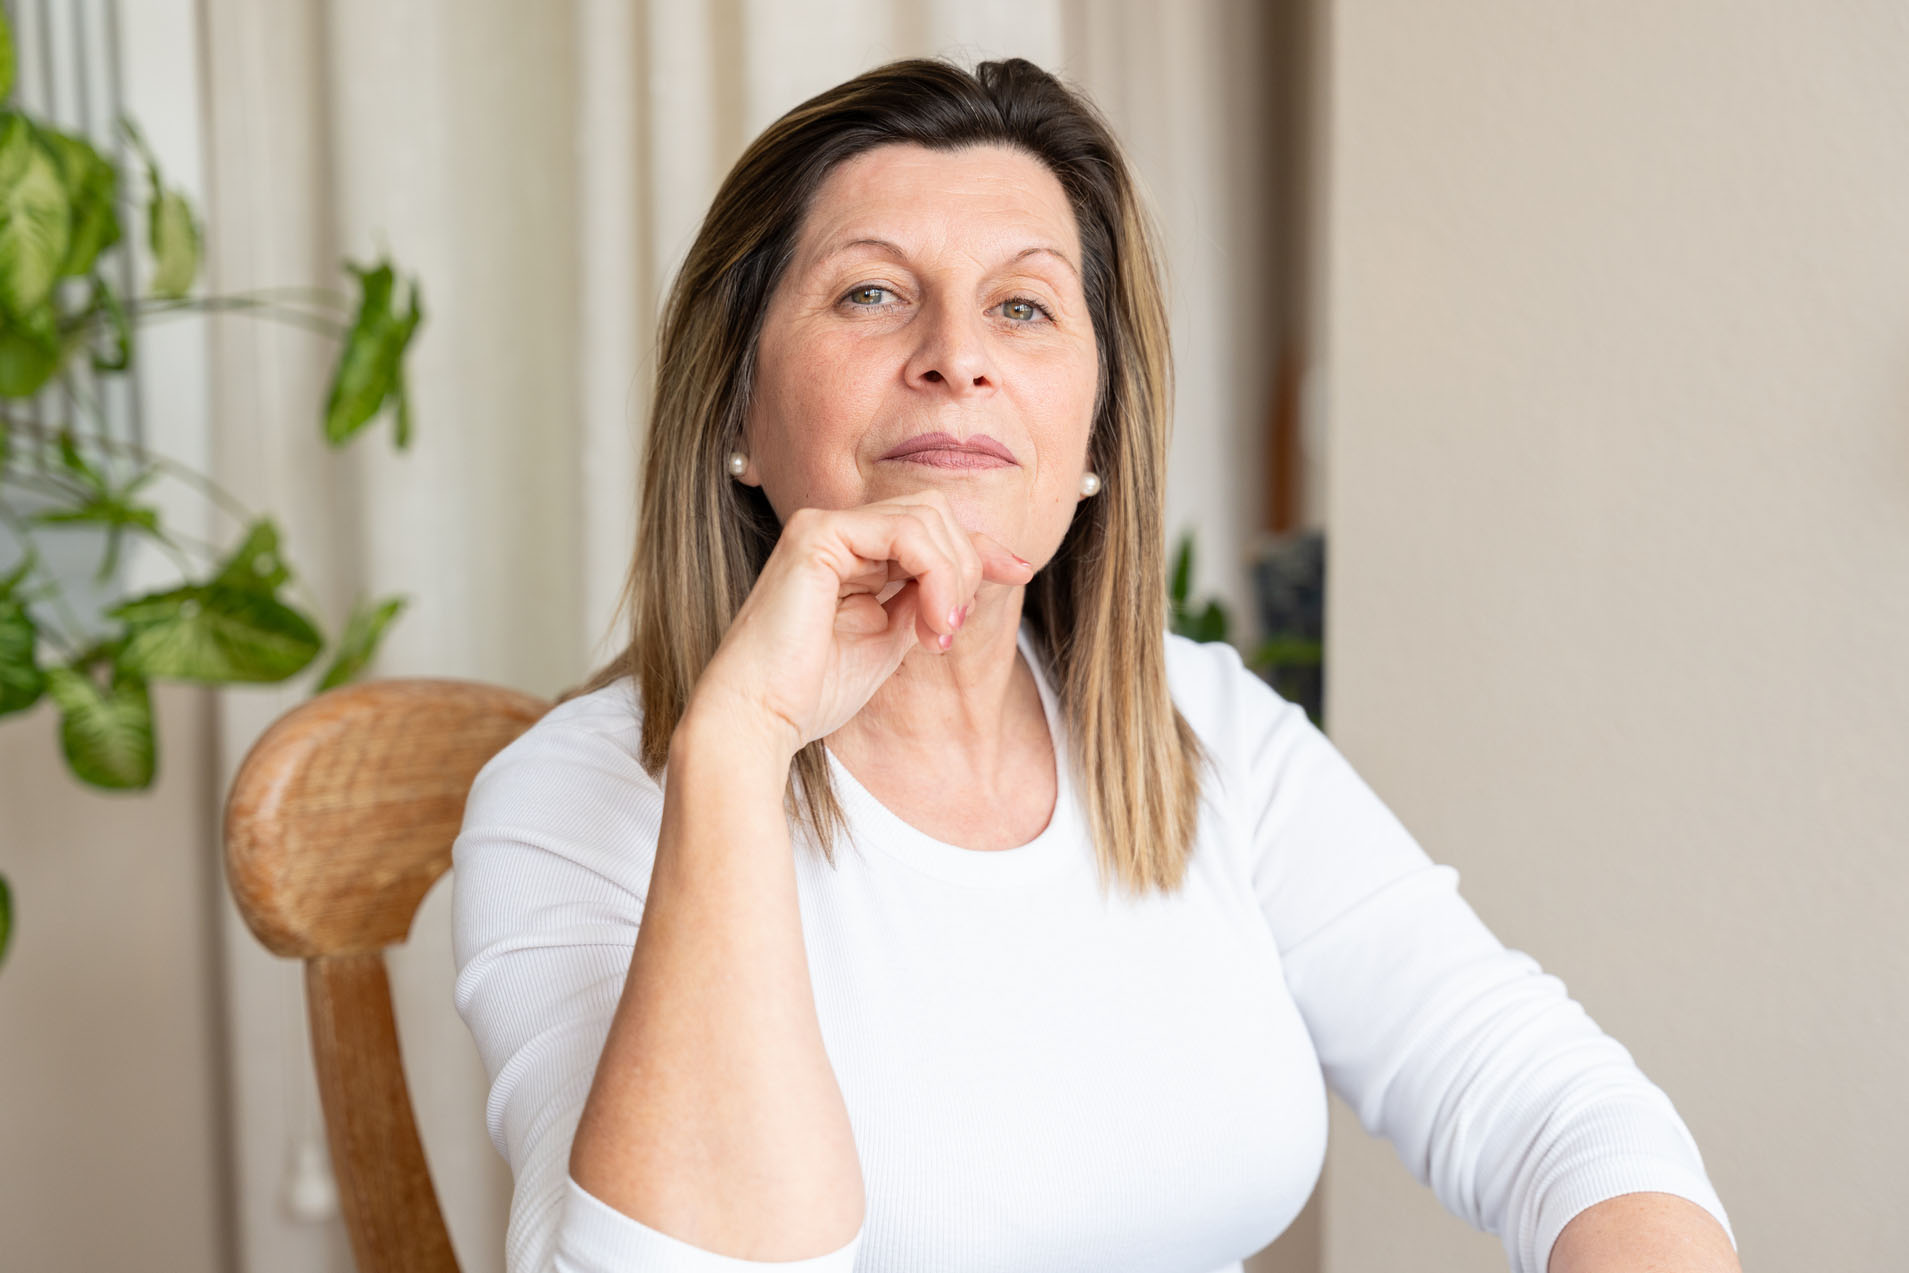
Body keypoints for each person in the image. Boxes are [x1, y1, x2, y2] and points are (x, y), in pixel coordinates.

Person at [450, 56, 1738, 1273]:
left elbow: (1550, 1105)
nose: (959, 353)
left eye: (1023, 306)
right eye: (872, 293)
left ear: (1093, 441)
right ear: (734, 411)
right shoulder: (577, 801)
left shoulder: (1210, 729)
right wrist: (737, 749)